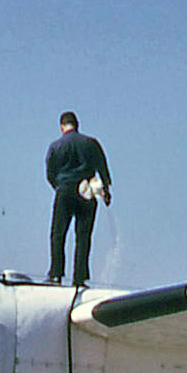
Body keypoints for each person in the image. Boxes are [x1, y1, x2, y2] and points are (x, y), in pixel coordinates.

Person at [44, 110, 111, 287]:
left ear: (61, 126)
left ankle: (56, 273)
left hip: (64, 191)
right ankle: (79, 278)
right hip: (87, 191)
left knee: (58, 234)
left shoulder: (55, 146)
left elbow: (50, 174)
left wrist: (59, 188)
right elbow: (103, 168)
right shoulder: (91, 143)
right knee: (83, 236)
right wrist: (106, 192)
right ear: (77, 125)